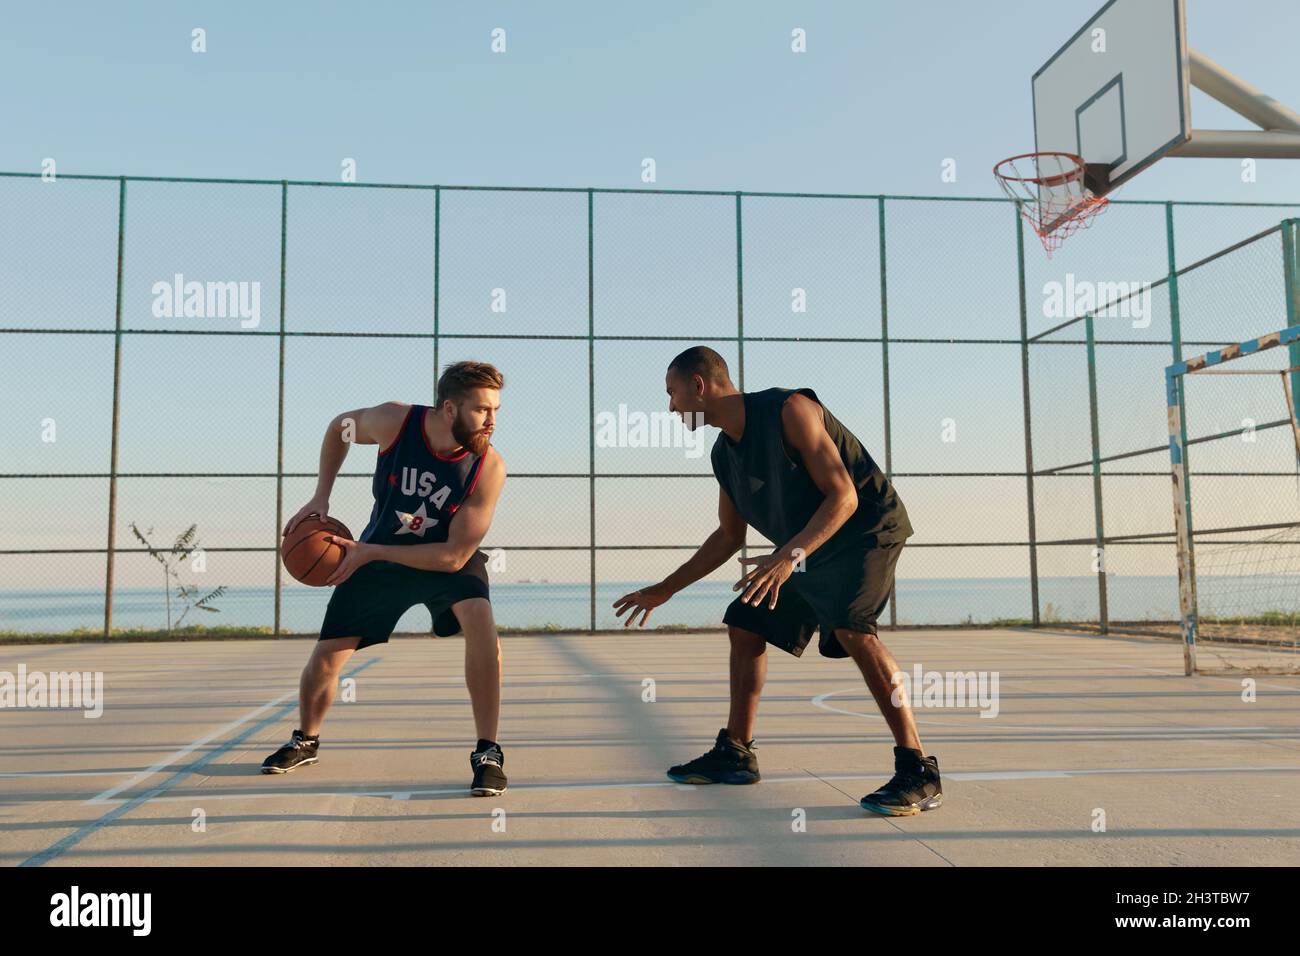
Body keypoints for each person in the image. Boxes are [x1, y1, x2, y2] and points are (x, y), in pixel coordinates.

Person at [613, 346, 942, 816]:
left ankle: (919, 769)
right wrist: (666, 587)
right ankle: (737, 752)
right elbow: (728, 535)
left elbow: (844, 497)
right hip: (804, 545)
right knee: (746, 621)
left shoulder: (790, 410)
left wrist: (789, 557)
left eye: (672, 393)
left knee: (853, 629)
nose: (670, 407)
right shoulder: (724, 453)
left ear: (699, 386)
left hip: (866, 529)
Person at [264, 361, 509, 797]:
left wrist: (369, 552)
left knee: (481, 623)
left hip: (440, 556)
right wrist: (321, 495)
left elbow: (454, 556)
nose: (491, 421)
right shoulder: (397, 421)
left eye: (495, 410)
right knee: (326, 656)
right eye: (481, 410)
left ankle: (487, 751)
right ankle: (306, 739)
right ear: (449, 409)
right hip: (377, 553)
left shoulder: (487, 467)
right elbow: (340, 427)